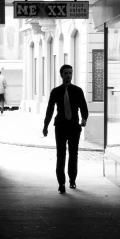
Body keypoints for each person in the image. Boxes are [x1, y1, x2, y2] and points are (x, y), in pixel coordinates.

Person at [43, 64, 88, 193]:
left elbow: (84, 108)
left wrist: (84, 119)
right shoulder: (56, 92)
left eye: (70, 73)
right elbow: (50, 110)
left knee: (73, 155)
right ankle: (61, 183)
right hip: (61, 127)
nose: (68, 75)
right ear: (61, 75)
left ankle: (72, 180)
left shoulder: (78, 91)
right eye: (66, 73)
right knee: (61, 155)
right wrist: (45, 125)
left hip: (74, 127)